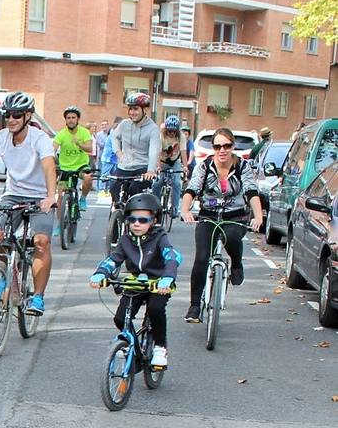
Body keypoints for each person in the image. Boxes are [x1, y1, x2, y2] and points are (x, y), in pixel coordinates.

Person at [0, 90, 57, 316]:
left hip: (39, 195)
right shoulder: (1, 137)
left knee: (41, 241)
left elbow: (48, 166)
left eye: (16, 115)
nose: (11, 119)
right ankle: (4, 275)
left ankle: (38, 297)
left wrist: (51, 196)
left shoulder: (40, 139)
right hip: (13, 194)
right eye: (8, 115)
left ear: (28, 116)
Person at [180, 126, 264, 323]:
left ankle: (236, 263)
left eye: (227, 145)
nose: (222, 150)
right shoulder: (204, 167)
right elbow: (192, 190)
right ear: (213, 148)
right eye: (218, 146)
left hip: (235, 217)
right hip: (208, 216)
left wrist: (258, 216)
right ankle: (194, 306)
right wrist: (185, 210)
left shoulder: (243, 167)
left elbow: (252, 193)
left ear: (233, 146)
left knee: (232, 236)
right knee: (201, 258)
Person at [89, 191, 180, 368]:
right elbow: (113, 259)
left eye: (143, 220)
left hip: (158, 283)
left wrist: (167, 278)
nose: (136, 224)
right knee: (120, 319)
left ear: (154, 221)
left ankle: (160, 347)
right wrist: (101, 273)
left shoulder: (160, 238)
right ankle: (131, 345)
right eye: (132, 220)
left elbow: (171, 258)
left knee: (155, 309)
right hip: (136, 282)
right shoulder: (125, 240)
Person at [110, 92, 161, 207]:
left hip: (142, 167)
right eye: (130, 109)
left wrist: (151, 170)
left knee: (134, 189)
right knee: (113, 185)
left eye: (136, 109)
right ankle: (117, 212)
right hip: (124, 166)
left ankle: (132, 217)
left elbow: (154, 150)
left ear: (145, 110)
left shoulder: (153, 129)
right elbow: (114, 137)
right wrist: (118, 152)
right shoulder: (124, 124)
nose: (132, 112)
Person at [53, 106, 94, 211]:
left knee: (88, 178)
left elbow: (90, 148)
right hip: (65, 168)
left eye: (73, 117)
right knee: (60, 197)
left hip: (80, 166)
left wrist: (79, 144)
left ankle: (83, 198)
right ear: (65, 120)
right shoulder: (61, 134)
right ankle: (59, 225)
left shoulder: (84, 132)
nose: (71, 120)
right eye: (68, 118)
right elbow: (52, 149)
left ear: (78, 119)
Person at [151, 115, 188, 215]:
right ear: (166, 130)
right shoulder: (161, 136)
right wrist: (158, 166)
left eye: (174, 131)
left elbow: (183, 152)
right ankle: (155, 206)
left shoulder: (181, 136)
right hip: (161, 162)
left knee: (176, 183)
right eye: (169, 131)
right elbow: (157, 153)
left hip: (174, 162)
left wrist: (185, 167)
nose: (171, 133)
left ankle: (174, 208)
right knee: (157, 183)